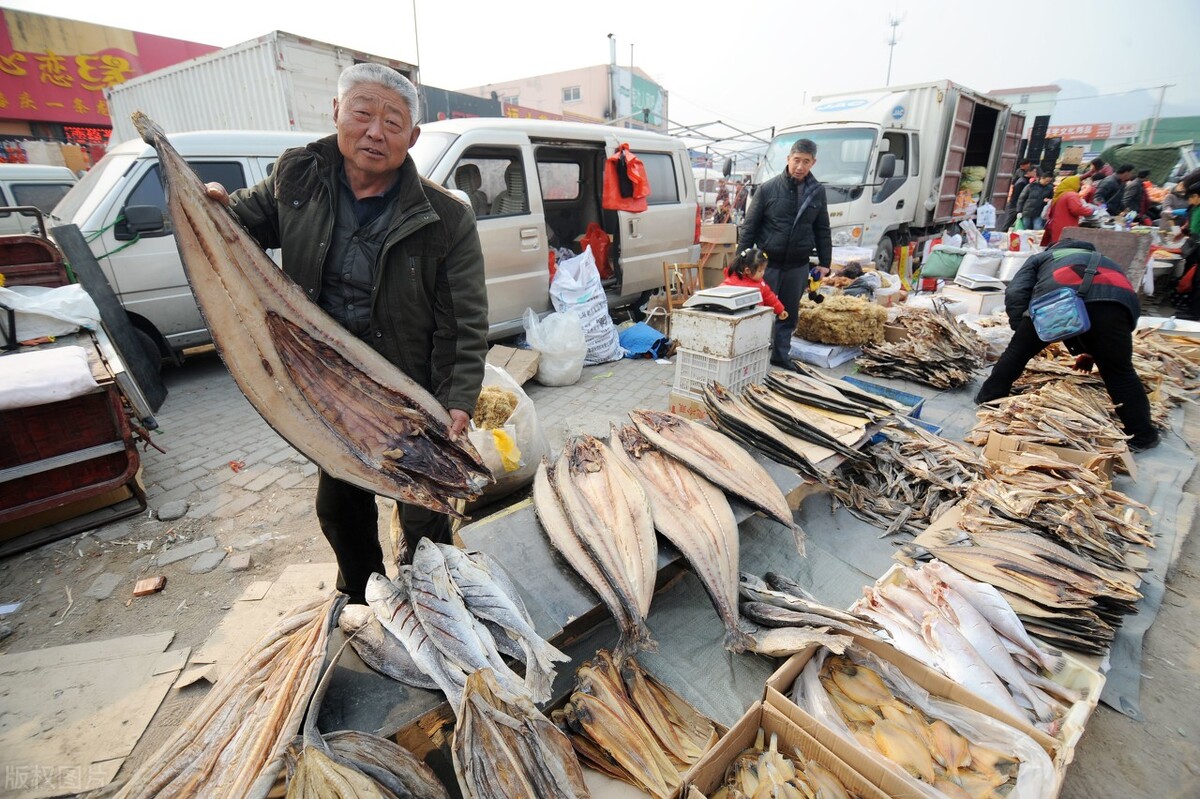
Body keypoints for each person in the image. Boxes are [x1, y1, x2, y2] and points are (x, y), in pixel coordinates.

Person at [208, 63, 489, 603]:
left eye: (392, 121)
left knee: (425, 508)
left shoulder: (446, 217)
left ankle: (435, 596)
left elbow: (465, 320)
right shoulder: (298, 181)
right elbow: (242, 225)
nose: (375, 132)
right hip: (330, 387)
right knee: (338, 508)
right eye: (362, 113)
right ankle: (364, 597)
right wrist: (215, 206)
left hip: (408, 391)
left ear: (413, 136)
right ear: (337, 112)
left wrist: (456, 398)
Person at [975, 239, 1158, 451]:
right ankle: (1143, 435)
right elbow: (1110, 307)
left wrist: (1022, 329)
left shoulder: (1043, 257)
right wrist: (1092, 352)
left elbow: (1016, 292)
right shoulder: (1108, 261)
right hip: (1116, 307)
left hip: (1056, 300)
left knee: (1017, 353)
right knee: (1120, 372)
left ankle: (989, 398)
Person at [737, 138, 832, 368]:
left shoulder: (816, 192)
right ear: (788, 158)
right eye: (796, 160)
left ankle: (780, 355)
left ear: (813, 163)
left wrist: (825, 261)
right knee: (759, 312)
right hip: (767, 265)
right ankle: (751, 358)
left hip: (798, 264)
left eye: (806, 162)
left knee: (788, 312)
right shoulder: (767, 189)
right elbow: (749, 227)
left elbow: (822, 228)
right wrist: (739, 261)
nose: (800, 166)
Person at [722, 246, 788, 319]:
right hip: (739, 319)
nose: (763, 273)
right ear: (747, 270)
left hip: (757, 317)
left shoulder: (760, 283)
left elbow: (769, 296)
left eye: (764, 270)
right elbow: (721, 293)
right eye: (760, 271)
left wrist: (780, 310)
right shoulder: (733, 282)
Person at [1041, 175, 1099, 246]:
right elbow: (1077, 209)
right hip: (1065, 226)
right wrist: (1091, 211)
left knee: (1055, 245)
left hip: (1056, 224)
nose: (1080, 186)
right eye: (1079, 184)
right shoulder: (1071, 195)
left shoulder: (1061, 194)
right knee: (1063, 246)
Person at [1002, 162, 1037, 230]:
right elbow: (1016, 196)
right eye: (1034, 171)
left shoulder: (1027, 181)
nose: (1036, 173)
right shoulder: (1022, 182)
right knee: (1007, 223)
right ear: (1029, 172)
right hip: (1015, 206)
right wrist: (1018, 208)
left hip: (1018, 206)